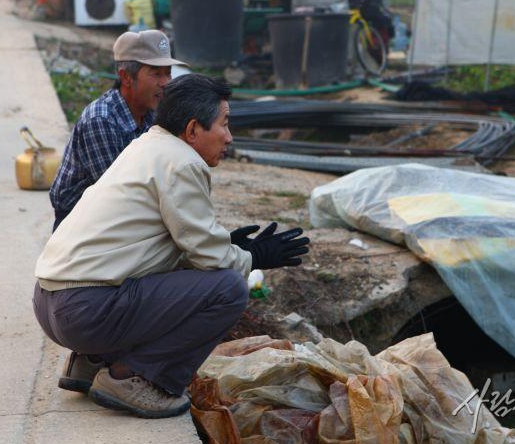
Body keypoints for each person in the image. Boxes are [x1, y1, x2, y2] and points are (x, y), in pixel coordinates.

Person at [33, 74, 310, 418]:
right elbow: (210, 257)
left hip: (50, 303)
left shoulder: (147, 146)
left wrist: (227, 244)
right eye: (224, 124)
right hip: (85, 312)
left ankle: (90, 363)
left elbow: (173, 244)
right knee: (229, 288)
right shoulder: (183, 162)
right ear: (193, 130)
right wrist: (254, 256)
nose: (229, 137)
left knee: (191, 278)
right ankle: (134, 377)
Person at [49, 29, 185, 230]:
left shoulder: (152, 113)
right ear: (126, 77)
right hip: (80, 223)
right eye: (156, 73)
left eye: (168, 74)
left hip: (122, 213)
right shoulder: (101, 119)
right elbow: (118, 195)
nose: (166, 83)